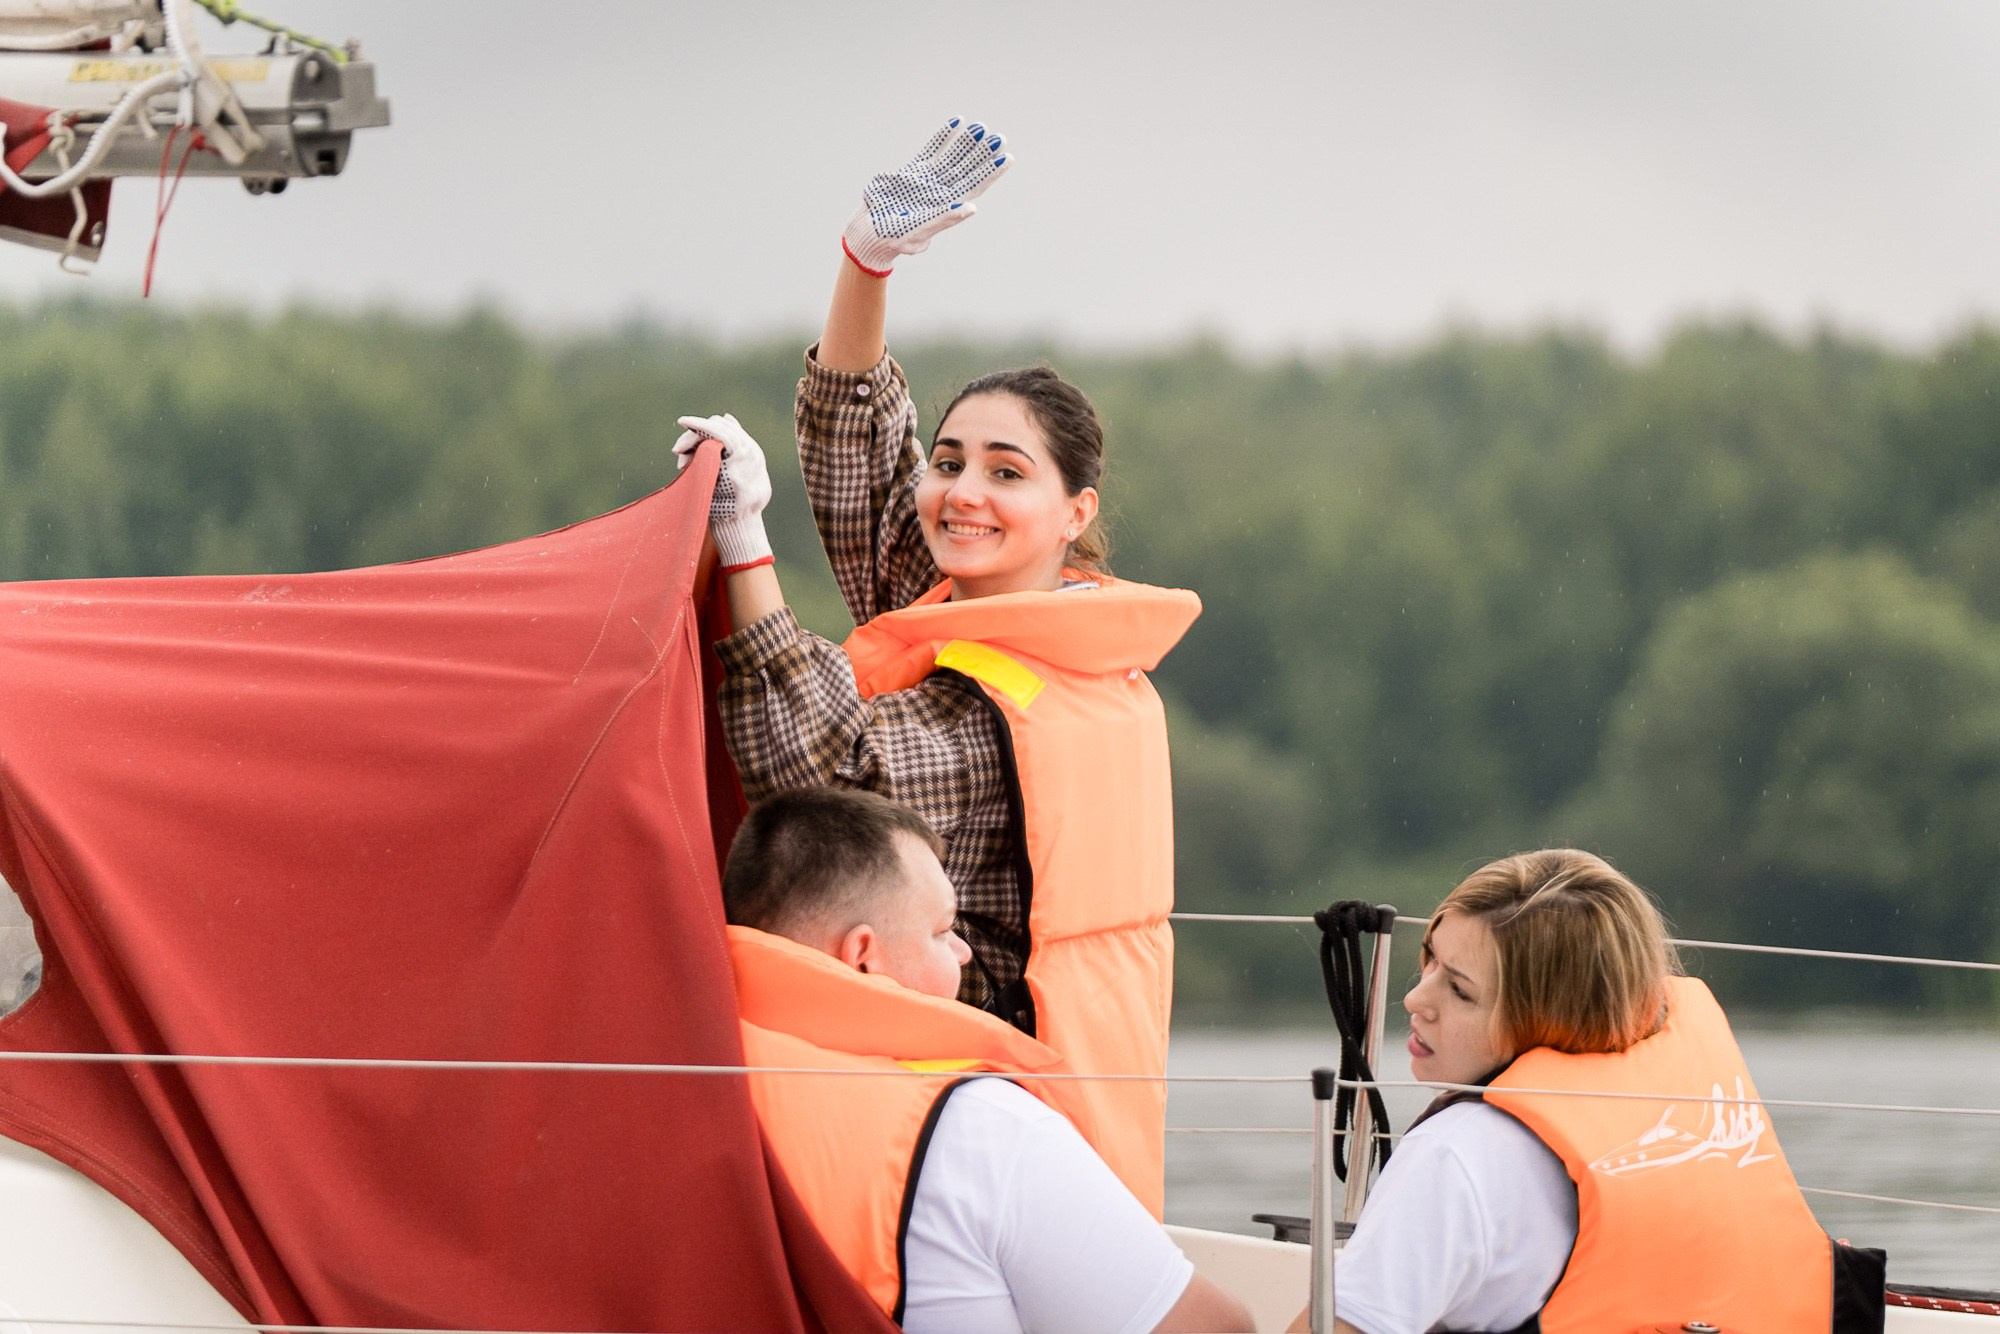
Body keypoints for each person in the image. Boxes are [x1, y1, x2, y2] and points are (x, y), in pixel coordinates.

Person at [677, 117, 1201, 1215]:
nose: (963, 490)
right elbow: (862, 459)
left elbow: (821, 773)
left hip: (1000, 1135)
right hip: (994, 1116)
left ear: (1075, 512)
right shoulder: (1008, 614)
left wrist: (742, 545)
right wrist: (865, 262)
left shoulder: (1001, 711)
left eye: (1005, 472)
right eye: (950, 460)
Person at [721, 786, 1252, 1334]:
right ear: (862, 957)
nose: (964, 952)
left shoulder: (667, 1090)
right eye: (942, 930)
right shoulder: (979, 1126)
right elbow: (1214, 1328)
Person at [1311, 849, 1883, 1334]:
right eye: (1430, 960)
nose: (1415, 999)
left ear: (1549, 1014)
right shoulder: (1686, 1117)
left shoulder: (1455, 1156)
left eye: (1459, 991)